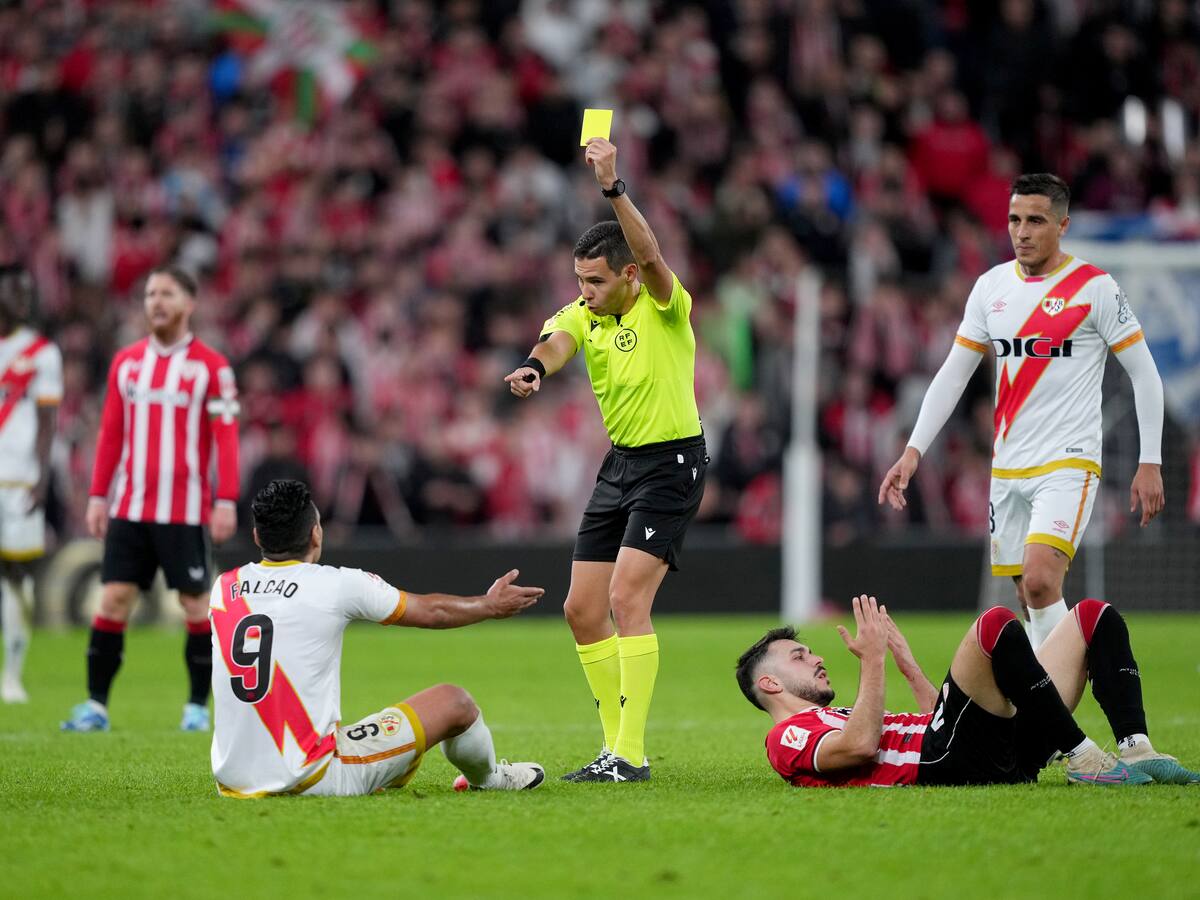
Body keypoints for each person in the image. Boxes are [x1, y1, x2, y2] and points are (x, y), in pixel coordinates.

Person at [879, 174, 1165, 649]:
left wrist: (1150, 460)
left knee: (1039, 581)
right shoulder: (991, 288)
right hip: (1008, 466)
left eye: (1036, 220)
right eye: (1014, 219)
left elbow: (1144, 373)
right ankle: (1050, 705)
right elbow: (954, 374)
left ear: (1063, 225)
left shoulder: (1094, 288)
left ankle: (1065, 699)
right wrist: (913, 451)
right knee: (1026, 597)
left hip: (1068, 461)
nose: (1022, 231)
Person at [504, 137, 708, 783]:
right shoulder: (584, 311)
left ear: (626, 277)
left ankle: (629, 755)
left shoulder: (665, 307)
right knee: (581, 610)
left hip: (671, 464)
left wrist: (613, 186)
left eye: (594, 280)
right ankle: (614, 749)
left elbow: (649, 253)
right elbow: (557, 339)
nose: (584, 293)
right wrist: (535, 369)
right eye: (578, 281)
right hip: (620, 466)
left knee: (626, 598)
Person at [210, 478, 546, 798]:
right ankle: (490, 779)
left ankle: (386, 767)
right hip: (312, 775)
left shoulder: (224, 589)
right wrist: (489, 605)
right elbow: (432, 612)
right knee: (455, 702)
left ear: (257, 536)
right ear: (316, 534)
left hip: (231, 779)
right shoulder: (336, 584)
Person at [736, 595, 1199, 788]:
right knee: (993, 625)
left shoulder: (839, 713)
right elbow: (860, 747)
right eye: (799, 656)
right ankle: (1081, 755)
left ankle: (1135, 747)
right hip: (946, 763)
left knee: (1093, 616)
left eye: (809, 651)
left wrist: (904, 662)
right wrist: (873, 660)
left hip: (977, 748)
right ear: (770, 684)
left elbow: (938, 717)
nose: (816, 658)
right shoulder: (787, 737)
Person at [62, 266, 240, 732]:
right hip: (130, 508)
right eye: (149, 294)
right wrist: (98, 496)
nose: (156, 302)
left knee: (195, 606)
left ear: (189, 303)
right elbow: (111, 435)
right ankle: (95, 706)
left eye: (167, 293)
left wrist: (227, 499)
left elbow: (227, 438)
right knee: (114, 598)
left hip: (184, 510)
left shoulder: (213, 368)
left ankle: (197, 709)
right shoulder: (126, 363)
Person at [0, 264, 61, 703]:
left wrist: (41, 478)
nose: (23, 297)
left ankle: (12, 674)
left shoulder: (42, 352)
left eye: (27, 290)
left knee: (15, 575)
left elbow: (47, 421)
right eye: (14, 289)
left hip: (18, 479)